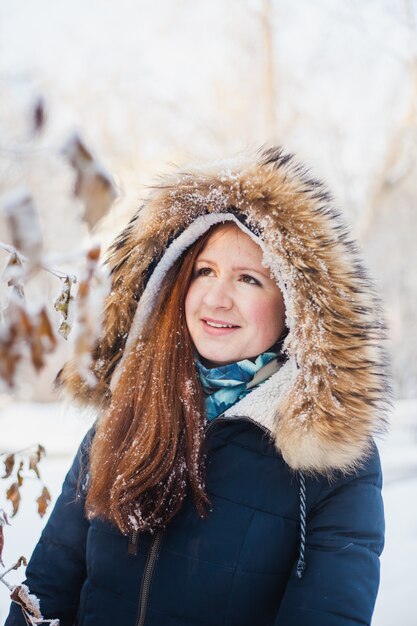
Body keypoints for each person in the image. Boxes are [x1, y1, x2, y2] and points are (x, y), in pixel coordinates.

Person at [6, 147, 391, 626]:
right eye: (204, 271)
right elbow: (47, 591)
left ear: (296, 307)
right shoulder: (127, 413)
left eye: (249, 279)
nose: (216, 298)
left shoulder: (331, 461)